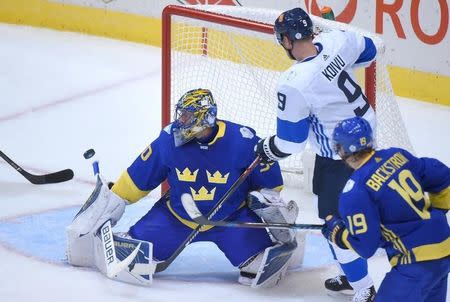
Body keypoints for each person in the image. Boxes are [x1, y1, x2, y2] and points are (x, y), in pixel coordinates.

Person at [66, 88, 299, 288]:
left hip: (230, 220)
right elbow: (139, 178)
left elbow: (271, 186)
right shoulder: (168, 141)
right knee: (134, 260)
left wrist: (271, 209)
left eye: (188, 116)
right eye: (182, 115)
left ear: (206, 118)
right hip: (176, 217)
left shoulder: (243, 141)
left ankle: (282, 242)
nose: (182, 121)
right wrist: (111, 203)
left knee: (259, 268)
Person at [254, 7, 377, 302]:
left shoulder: (294, 81)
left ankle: (364, 288)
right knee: (350, 215)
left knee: (335, 223)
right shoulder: (337, 40)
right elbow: (370, 51)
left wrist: (266, 149)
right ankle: (353, 275)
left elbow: (291, 143)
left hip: (340, 158)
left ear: (285, 41)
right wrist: (335, 57)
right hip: (367, 138)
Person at [322, 116, 450, 302]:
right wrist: (436, 215)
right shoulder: (398, 155)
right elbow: (444, 178)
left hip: (414, 263)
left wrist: (338, 232)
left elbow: (366, 247)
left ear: (342, 150)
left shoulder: (354, 191)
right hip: (445, 247)